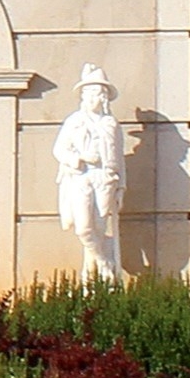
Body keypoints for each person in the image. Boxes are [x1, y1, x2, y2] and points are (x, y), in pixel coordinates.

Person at [54, 67, 126, 279]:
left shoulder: (111, 123)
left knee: (100, 229)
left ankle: (92, 278)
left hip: (105, 179)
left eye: (100, 93)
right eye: (91, 93)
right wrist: (81, 158)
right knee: (84, 228)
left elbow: (119, 157)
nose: (96, 97)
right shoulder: (74, 121)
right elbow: (59, 150)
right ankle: (104, 263)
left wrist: (121, 187)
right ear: (84, 96)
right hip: (81, 177)